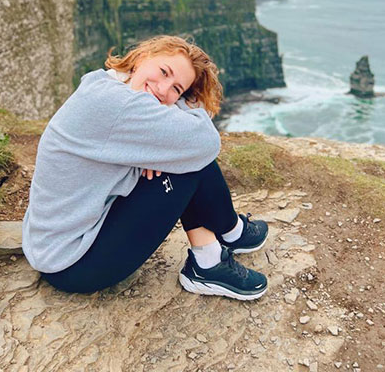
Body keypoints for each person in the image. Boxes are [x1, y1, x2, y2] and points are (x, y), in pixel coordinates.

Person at [22, 35, 269, 300]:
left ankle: (231, 232)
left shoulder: (103, 81)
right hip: (73, 263)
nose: (163, 89)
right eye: (164, 72)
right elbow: (206, 142)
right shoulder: (118, 105)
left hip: (56, 242)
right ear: (142, 56)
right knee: (187, 160)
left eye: (177, 89)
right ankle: (213, 257)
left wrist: (150, 154)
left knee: (178, 150)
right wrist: (176, 124)